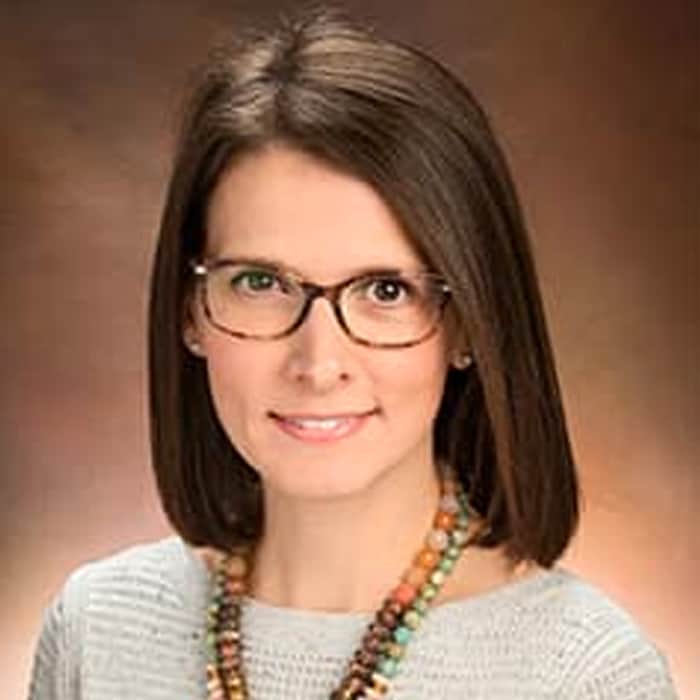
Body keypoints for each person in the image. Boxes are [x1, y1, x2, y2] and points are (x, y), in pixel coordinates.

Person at [28, 7, 678, 700]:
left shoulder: (585, 672)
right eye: (260, 283)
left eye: (385, 290)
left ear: (468, 325)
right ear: (190, 311)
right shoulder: (97, 634)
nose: (318, 363)